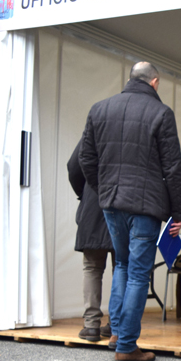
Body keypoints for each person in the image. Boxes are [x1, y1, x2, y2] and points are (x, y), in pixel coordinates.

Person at [79, 61, 181, 361]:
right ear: (154, 83)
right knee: (138, 271)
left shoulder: (99, 109)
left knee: (123, 265)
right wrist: (178, 211)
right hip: (145, 207)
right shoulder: (161, 113)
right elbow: (173, 168)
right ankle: (126, 346)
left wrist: (103, 189)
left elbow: (87, 158)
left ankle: (116, 333)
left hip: (111, 203)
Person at [67, 141, 114, 343]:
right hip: (125, 205)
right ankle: (115, 324)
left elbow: (74, 166)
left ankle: (91, 325)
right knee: (122, 267)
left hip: (93, 203)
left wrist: (85, 193)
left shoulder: (96, 125)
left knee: (92, 267)